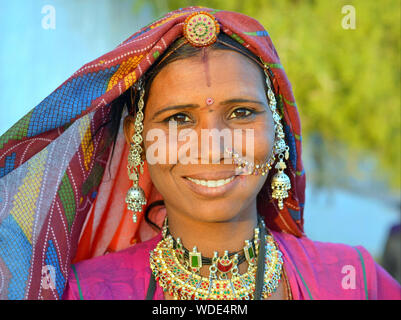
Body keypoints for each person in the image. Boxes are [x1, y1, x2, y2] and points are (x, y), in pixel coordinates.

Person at [0, 7, 399, 300]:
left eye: (241, 113)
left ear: (276, 127)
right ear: (135, 137)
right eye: (178, 119)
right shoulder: (83, 292)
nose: (213, 145)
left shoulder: (355, 281)